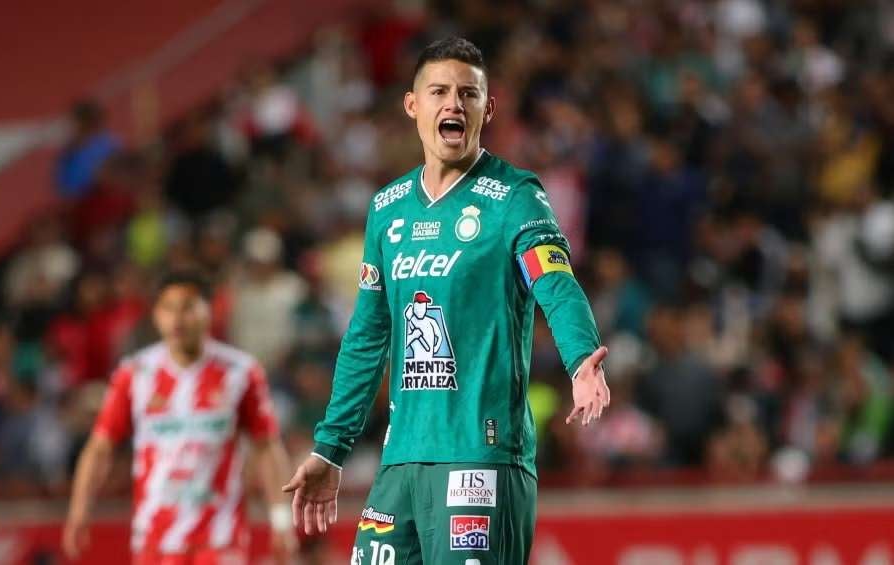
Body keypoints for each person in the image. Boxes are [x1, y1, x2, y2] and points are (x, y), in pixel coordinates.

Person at [283, 37, 610, 564]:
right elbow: (367, 336)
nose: (453, 104)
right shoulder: (387, 209)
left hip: (480, 456)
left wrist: (580, 360)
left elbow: (555, 282)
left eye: (467, 94)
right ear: (413, 105)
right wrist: (331, 448)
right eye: (438, 92)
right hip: (401, 460)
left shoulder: (516, 197)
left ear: (487, 109)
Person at [63, 270, 297, 564]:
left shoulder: (240, 372)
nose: (177, 319)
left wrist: (281, 519)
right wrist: (79, 510)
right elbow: (100, 448)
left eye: (187, 307)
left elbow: (267, 448)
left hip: (220, 537)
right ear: (156, 315)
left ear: (209, 310)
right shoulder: (135, 373)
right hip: (155, 539)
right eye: (168, 308)